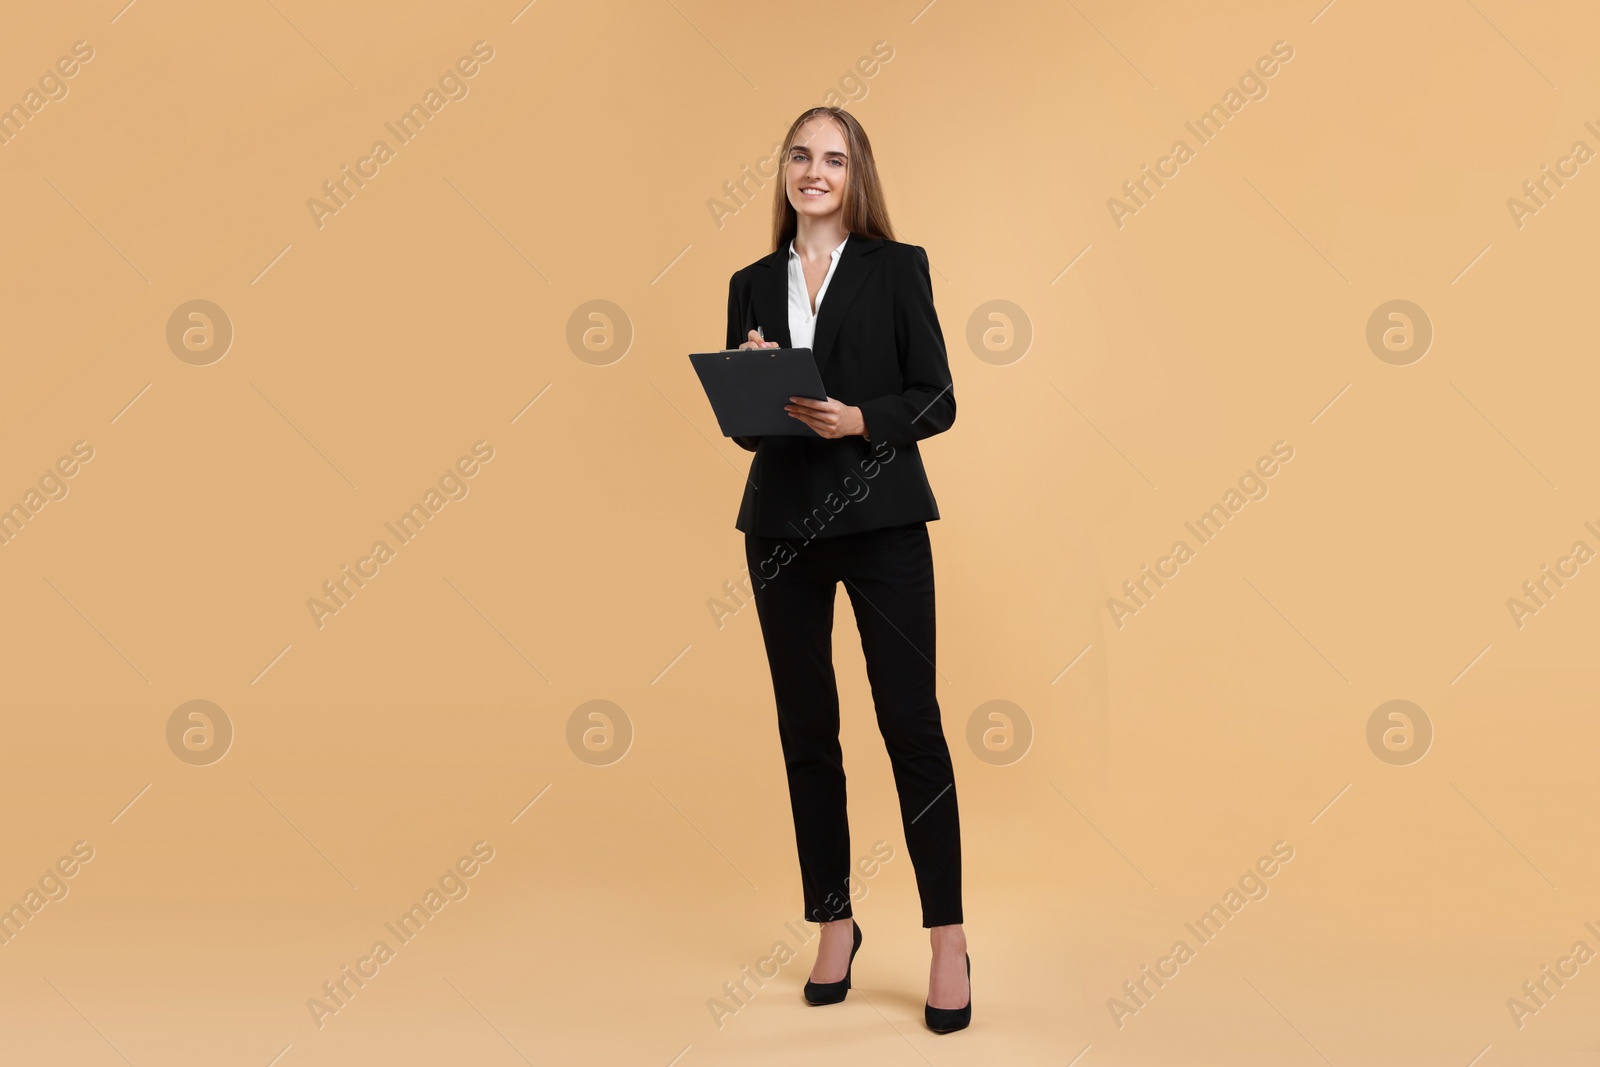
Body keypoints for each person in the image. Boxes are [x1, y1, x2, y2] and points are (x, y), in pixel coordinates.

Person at [722, 105, 970, 1033]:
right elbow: (750, 428)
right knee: (805, 728)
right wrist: (754, 384)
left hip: (884, 521)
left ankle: (946, 935)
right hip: (781, 524)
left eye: (832, 158)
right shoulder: (751, 281)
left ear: (856, 174)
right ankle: (833, 918)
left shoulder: (896, 268)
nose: (813, 171)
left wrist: (861, 418)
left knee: (911, 723)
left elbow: (937, 394)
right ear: (783, 171)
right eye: (800, 155)